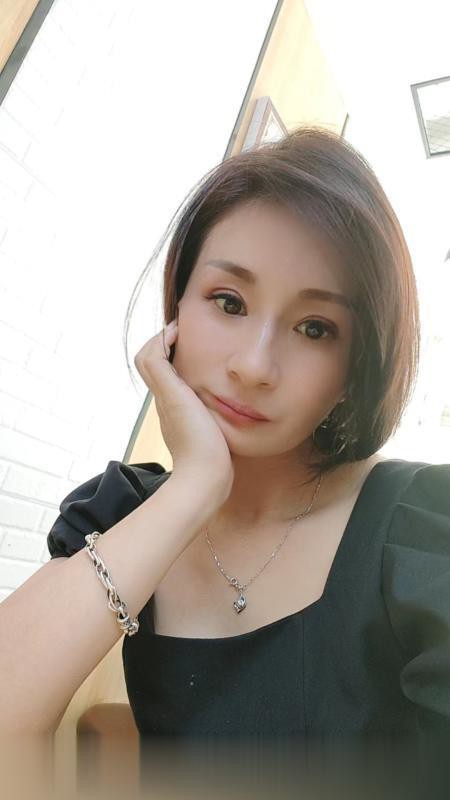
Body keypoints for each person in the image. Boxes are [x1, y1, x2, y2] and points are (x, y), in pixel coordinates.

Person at [0, 128, 449, 771]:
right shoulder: (125, 513)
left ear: (356, 366)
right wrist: (195, 486)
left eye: (315, 328)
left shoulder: (422, 535)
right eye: (228, 301)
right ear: (177, 307)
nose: (254, 366)